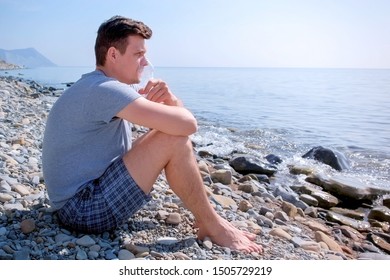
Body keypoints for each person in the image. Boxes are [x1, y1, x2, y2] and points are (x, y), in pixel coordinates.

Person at [42, 15, 262, 254]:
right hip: (82, 210)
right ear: (113, 55)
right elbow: (188, 125)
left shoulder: (96, 85)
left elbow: (174, 125)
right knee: (172, 138)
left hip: (75, 203)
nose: (145, 62)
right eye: (138, 54)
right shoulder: (105, 90)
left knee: (168, 134)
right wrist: (172, 102)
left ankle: (209, 220)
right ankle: (213, 225)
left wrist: (170, 100)